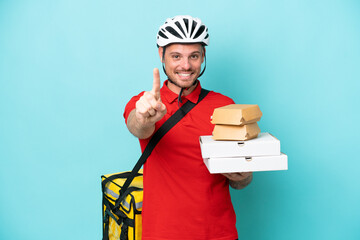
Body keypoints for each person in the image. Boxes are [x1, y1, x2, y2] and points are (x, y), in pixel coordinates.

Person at [123, 15, 253, 240]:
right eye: (176, 56)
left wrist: (242, 176)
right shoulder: (145, 104)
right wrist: (145, 118)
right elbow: (138, 127)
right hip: (162, 234)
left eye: (193, 56)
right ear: (161, 55)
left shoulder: (225, 105)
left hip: (218, 233)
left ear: (203, 57)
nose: (185, 65)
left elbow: (241, 182)